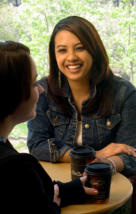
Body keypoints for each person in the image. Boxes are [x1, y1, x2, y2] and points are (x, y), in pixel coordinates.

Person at [27, 16, 136, 177]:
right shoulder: (43, 91)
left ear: (94, 50)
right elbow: (36, 145)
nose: (71, 57)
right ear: (54, 55)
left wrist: (106, 163)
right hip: (58, 187)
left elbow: (131, 154)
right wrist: (94, 156)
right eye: (62, 50)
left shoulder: (124, 93)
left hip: (107, 185)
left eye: (80, 48)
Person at [0, 41, 98, 213]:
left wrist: (65, 190)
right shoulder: (16, 168)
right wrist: (53, 205)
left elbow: (26, 193)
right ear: (11, 92)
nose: (41, 90)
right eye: (33, 83)